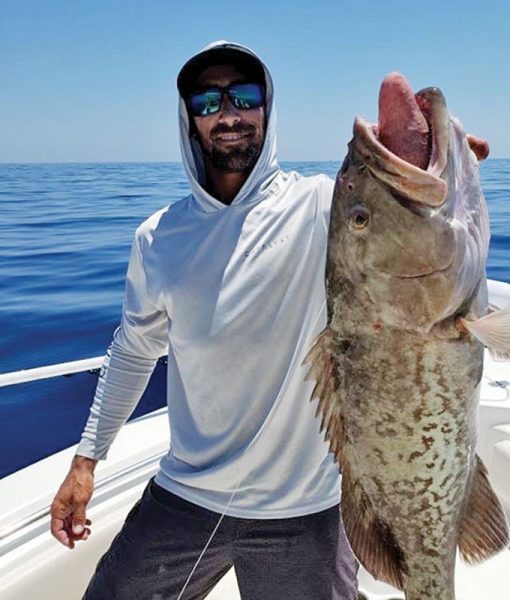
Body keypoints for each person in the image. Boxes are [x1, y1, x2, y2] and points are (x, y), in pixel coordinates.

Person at [50, 40, 359, 599]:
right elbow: (134, 352)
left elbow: (406, 213)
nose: (229, 115)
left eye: (243, 97)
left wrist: (442, 152)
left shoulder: (324, 207)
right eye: (209, 101)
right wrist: (85, 461)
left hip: (306, 508)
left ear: (266, 107)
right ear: (189, 119)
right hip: (188, 496)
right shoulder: (158, 237)